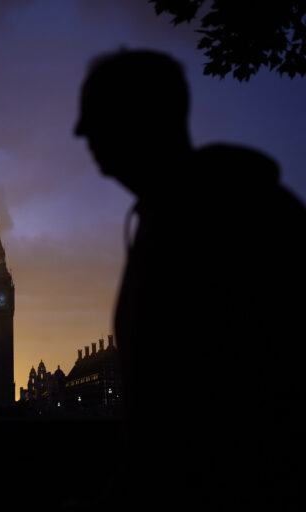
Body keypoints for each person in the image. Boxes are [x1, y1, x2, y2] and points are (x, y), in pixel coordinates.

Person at [74, 49, 306, 510]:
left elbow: (199, 405)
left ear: (138, 118)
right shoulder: (162, 216)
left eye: (94, 116)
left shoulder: (231, 218)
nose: (81, 134)